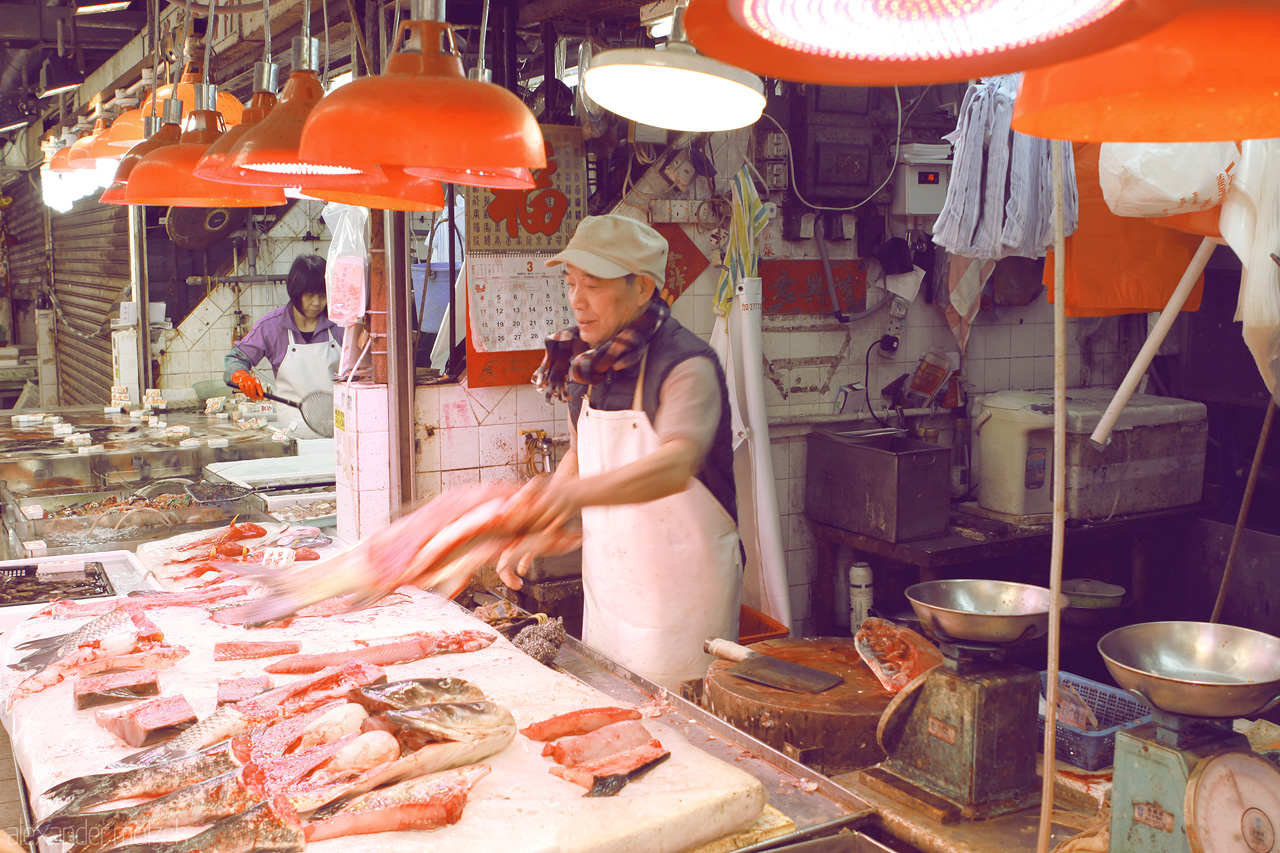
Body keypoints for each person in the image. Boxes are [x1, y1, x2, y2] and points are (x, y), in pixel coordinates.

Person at [501, 215, 741, 691]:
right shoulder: (586, 365)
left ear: (644, 288)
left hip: (682, 611)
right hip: (611, 596)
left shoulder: (688, 364)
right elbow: (580, 454)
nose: (577, 300)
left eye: (593, 284)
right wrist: (537, 528)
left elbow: (675, 465)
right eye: (571, 284)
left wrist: (568, 500)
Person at [224, 254, 343, 435]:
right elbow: (235, 359)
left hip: (339, 429)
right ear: (296, 293)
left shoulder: (340, 325)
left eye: (322, 295)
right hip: (292, 431)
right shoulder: (271, 326)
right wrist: (241, 376)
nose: (317, 303)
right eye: (310, 295)